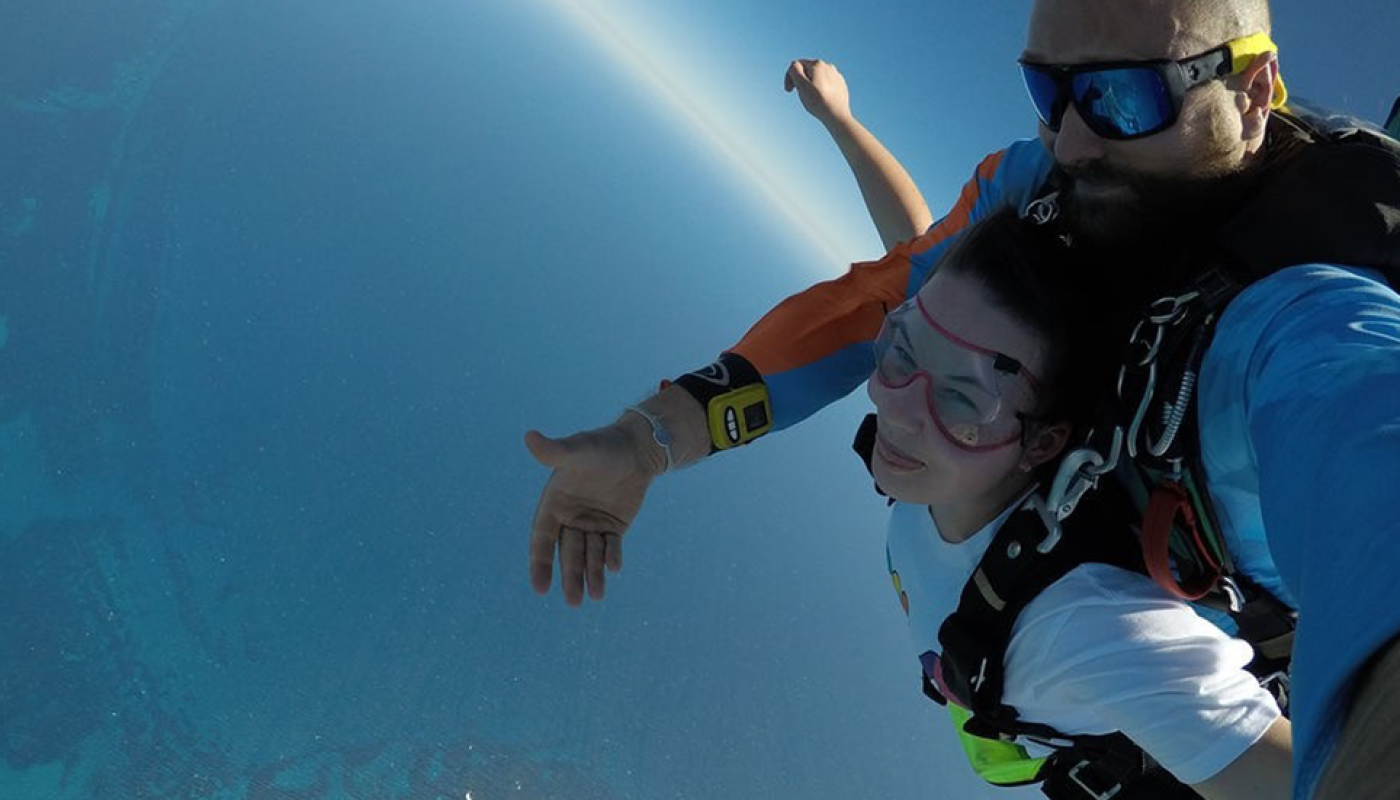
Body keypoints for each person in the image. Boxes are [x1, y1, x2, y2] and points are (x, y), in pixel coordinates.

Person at [524, 2, 1400, 797]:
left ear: (1254, 92)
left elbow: (1368, 444)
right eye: (1045, 91)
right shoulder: (1044, 189)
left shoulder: (1309, 324)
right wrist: (650, 440)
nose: (1071, 141)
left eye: (1121, 99)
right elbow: (893, 284)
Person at [863, 207, 1291, 798]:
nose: (897, 409)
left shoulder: (1083, 625)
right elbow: (918, 254)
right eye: (902, 353)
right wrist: (840, 122)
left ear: (1043, 442)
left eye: (962, 401)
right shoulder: (937, 469)